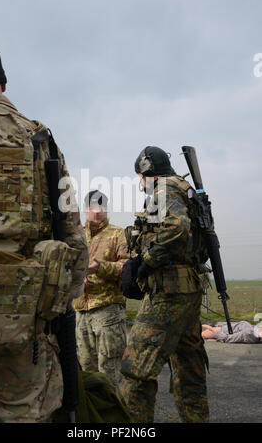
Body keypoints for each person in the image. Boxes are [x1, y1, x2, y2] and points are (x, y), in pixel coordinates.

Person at [0, 35, 88, 423]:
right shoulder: (39, 137)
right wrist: (63, 300)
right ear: (2, 83)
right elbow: (72, 234)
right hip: (28, 318)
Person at [119, 146, 209, 423]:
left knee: (136, 370)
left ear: (144, 173)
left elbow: (176, 227)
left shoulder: (163, 188)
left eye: (139, 178)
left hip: (168, 293)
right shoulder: (183, 188)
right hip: (188, 290)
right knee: (188, 368)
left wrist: (146, 261)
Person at [73, 190, 130, 388]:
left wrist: (101, 267)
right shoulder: (76, 236)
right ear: (86, 209)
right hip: (80, 311)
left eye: (101, 207)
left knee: (109, 372)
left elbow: (128, 268)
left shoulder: (118, 234)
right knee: (86, 372)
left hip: (108, 311)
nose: (96, 212)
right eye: (92, 207)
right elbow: (64, 267)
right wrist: (78, 282)